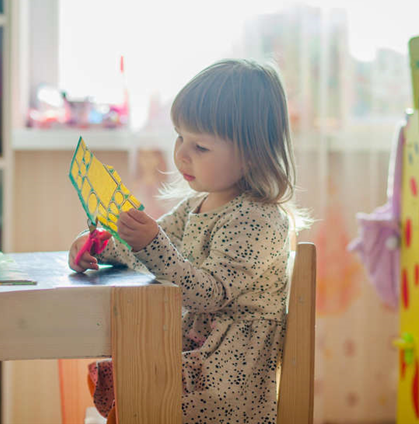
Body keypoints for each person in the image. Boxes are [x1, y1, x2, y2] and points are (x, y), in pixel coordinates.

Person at [69, 59, 305, 423]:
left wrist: (150, 244)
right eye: (180, 136)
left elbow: (207, 294)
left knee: (138, 383)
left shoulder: (259, 219)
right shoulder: (195, 205)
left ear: (252, 153)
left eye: (201, 147)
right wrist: (100, 246)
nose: (181, 153)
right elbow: (149, 250)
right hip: (196, 356)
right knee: (124, 372)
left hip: (226, 378)